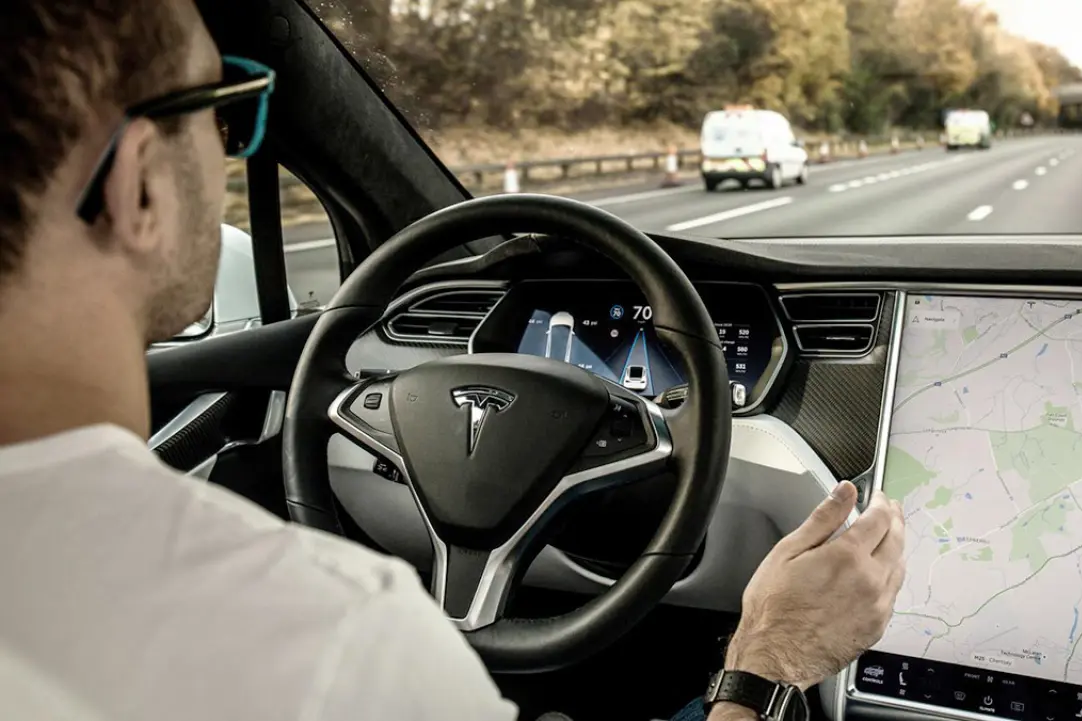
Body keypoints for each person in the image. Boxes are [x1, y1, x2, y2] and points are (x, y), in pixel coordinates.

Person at [0, 2, 906, 720]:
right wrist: (767, 662)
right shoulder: (337, 644)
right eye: (225, 115)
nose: (229, 146)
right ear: (140, 185)